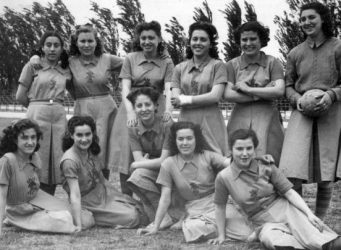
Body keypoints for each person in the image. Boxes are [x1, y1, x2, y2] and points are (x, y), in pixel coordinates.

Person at [210, 129, 340, 249]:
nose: (244, 154)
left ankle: (329, 244)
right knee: (270, 238)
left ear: (255, 148)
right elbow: (220, 207)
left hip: (285, 209)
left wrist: (309, 214)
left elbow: (289, 192)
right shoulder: (223, 177)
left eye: (249, 148)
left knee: (310, 232)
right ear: (231, 150)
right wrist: (221, 236)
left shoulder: (267, 167)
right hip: (261, 222)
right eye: (239, 149)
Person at [137, 121, 252, 243]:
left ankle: (221, 229)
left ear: (196, 139)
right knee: (192, 230)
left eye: (189, 138)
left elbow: (228, 163)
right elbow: (165, 199)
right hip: (194, 210)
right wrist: (156, 227)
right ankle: (216, 228)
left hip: (218, 205)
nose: (185, 143)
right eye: (180, 139)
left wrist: (250, 159)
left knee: (245, 235)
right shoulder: (168, 164)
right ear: (175, 141)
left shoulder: (207, 156)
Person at [279, 2, 341, 220]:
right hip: (301, 114)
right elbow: (288, 85)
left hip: (331, 113)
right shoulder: (295, 53)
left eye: (311, 17)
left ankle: (320, 221)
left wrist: (331, 95)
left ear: (323, 19)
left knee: (326, 172)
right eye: (303, 19)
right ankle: (301, 220)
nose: (306, 22)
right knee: (293, 168)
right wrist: (297, 100)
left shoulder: (337, 47)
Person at [110, 21, 174, 194]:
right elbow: (125, 88)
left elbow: (169, 88)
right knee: (127, 153)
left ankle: (153, 195)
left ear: (159, 39)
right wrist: (130, 111)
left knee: (158, 149)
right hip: (131, 106)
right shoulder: (131, 58)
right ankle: (128, 198)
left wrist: (168, 110)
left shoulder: (166, 62)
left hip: (155, 105)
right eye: (143, 38)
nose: (147, 41)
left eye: (151, 38)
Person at [60, 116, 148, 229]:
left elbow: (102, 179)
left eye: (88, 134)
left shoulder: (90, 151)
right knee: (133, 216)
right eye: (79, 135)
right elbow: (75, 194)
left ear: (93, 134)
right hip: (87, 202)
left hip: (102, 194)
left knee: (142, 209)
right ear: (72, 135)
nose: (84, 139)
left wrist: (118, 196)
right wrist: (78, 225)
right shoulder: (69, 161)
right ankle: (90, 216)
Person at [0, 119, 80, 236]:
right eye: (25, 138)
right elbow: (1, 197)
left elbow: (34, 185)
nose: (30, 142)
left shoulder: (35, 156)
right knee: (65, 221)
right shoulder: (8, 160)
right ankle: (13, 221)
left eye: (33, 137)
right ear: (14, 140)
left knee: (85, 217)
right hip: (18, 210)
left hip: (36, 200)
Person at [16, 31, 71, 195]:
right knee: (37, 157)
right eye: (48, 45)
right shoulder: (33, 66)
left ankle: (49, 201)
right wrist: (37, 108)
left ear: (62, 49)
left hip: (59, 118)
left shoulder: (65, 70)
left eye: (56, 45)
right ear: (42, 47)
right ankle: (33, 199)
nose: (52, 49)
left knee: (55, 160)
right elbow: (20, 96)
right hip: (37, 116)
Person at [224, 21, 285, 165]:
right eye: (244, 39)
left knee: (269, 159)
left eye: (253, 39)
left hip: (268, 118)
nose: (248, 43)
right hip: (239, 118)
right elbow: (228, 95)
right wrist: (264, 92)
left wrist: (247, 89)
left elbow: (279, 90)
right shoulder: (231, 65)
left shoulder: (273, 62)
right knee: (238, 159)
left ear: (261, 40)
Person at [68, 24, 123, 179]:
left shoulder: (107, 59)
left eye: (90, 41)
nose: (86, 45)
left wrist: (122, 87)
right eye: (82, 41)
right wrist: (35, 56)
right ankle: (86, 192)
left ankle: (104, 189)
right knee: (84, 149)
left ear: (96, 42)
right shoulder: (70, 62)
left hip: (106, 109)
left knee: (104, 151)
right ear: (76, 43)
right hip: (82, 109)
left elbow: (132, 64)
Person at [171, 22, 228, 156]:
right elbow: (175, 98)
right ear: (189, 41)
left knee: (216, 159)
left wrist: (185, 99)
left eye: (203, 39)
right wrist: (181, 100)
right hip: (186, 120)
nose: (198, 43)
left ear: (210, 43)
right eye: (195, 39)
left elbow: (215, 96)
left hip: (210, 120)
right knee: (186, 158)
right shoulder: (179, 68)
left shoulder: (218, 66)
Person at [125, 87, 179, 225]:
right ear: (134, 109)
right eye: (139, 105)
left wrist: (136, 164)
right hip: (155, 170)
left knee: (137, 171)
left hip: (174, 171)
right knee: (136, 177)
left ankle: (168, 214)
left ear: (155, 106)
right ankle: (161, 215)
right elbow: (139, 159)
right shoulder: (133, 128)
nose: (144, 109)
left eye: (148, 104)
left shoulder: (167, 124)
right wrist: (139, 163)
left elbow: (164, 161)